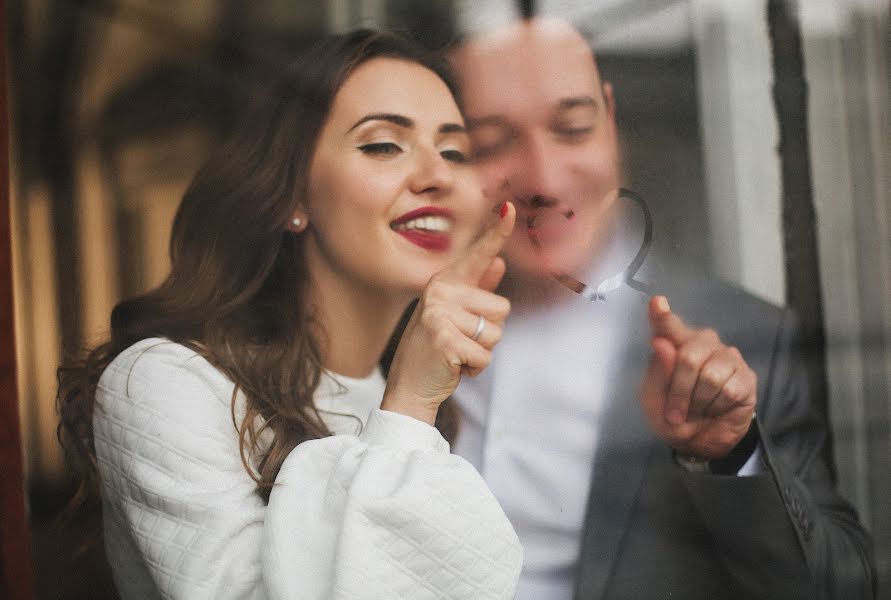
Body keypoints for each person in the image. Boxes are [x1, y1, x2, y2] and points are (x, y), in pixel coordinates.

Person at [56, 30, 523, 600]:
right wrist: (408, 408)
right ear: (294, 197)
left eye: (456, 152)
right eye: (382, 145)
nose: (439, 175)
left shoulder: (446, 403)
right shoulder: (164, 383)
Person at [449, 16, 875, 600]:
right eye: (493, 143)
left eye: (572, 129)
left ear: (611, 118)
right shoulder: (401, 319)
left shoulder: (745, 336)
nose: (543, 178)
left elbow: (841, 589)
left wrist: (729, 455)